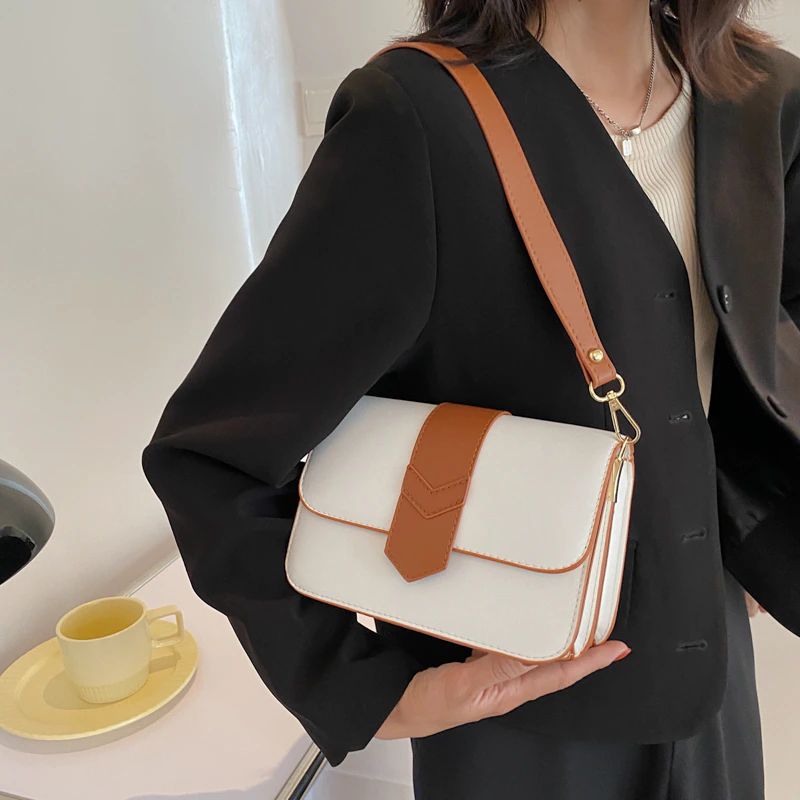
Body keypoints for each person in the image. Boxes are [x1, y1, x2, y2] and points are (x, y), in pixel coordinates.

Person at [141, 1, 800, 797]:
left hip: (710, 668)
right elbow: (211, 455)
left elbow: (770, 332)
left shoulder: (760, 97)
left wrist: (761, 537)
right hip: (517, 710)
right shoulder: (419, 118)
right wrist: (364, 688)